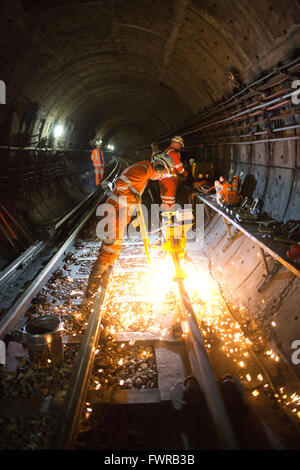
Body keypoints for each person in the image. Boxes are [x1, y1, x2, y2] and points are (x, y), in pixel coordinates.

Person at [86, 154, 175, 296]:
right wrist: (133, 195)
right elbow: (120, 183)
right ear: (159, 168)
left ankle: (103, 272)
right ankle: (91, 288)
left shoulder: (145, 170)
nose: (160, 178)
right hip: (115, 212)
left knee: (112, 248)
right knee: (110, 250)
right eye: (162, 174)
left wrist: (134, 198)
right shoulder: (142, 170)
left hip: (120, 212)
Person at [158, 136, 188, 211]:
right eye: (180, 145)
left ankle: (165, 219)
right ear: (176, 143)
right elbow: (179, 168)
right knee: (170, 201)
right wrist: (186, 174)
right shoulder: (173, 153)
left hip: (163, 180)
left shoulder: (166, 151)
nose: (181, 147)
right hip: (169, 181)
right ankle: (169, 219)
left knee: (165, 200)